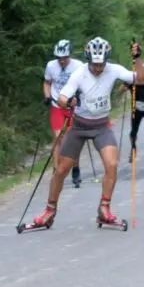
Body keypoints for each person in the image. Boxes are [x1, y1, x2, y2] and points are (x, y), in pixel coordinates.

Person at [29, 37, 144, 229]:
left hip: (101, 126)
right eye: (94, 64)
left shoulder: (114, 69)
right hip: (79, 127)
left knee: (112, 164)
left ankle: (104, 209)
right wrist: (68, 102)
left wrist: (138, 58)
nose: (98, 68)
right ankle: (49, 211)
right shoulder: (80, 72)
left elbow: (141, 79)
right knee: (61, 170)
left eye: (101, 64)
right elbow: (63, 97)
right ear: (88, 60)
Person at [43, 39, 84, 188]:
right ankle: (56, 171)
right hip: (56, 105)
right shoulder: (51, 66)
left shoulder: (78, 66)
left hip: (72, 107)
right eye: (59, 58)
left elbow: (83, 84)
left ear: (69, 56)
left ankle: (75, 168)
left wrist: (78, 97)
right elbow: (47, 82)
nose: (62, 61)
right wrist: (47, 96)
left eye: (65, 58)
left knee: (72, 139)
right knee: (58, 137)